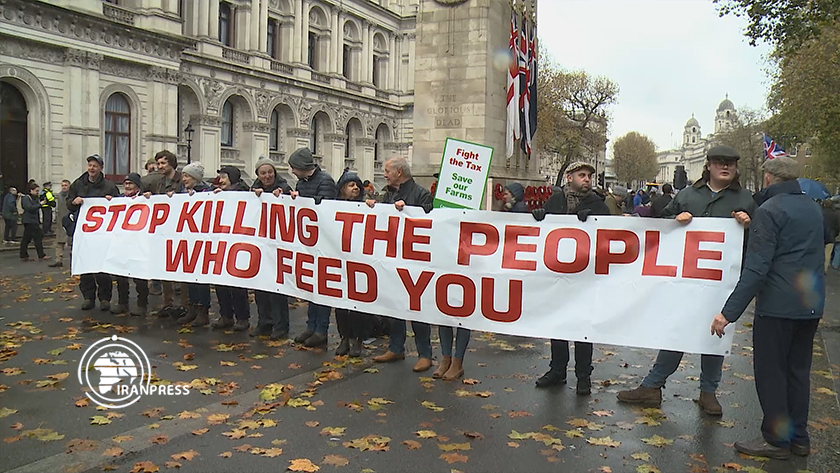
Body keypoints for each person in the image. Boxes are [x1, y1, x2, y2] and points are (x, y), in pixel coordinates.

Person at [617, 145, 756, 415]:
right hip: (684, 278)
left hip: (721, 281)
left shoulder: (747, 199)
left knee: (715, 334)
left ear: (736, 168)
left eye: (730, 163)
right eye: (719, 162)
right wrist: (673, 218)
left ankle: (708, 392)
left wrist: (749, 224)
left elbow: (759, 238)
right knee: (677, 331)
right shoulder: (688, 195)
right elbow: (660, 224)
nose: (724, 167)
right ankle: (652, 386)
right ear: (709, 166)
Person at [710, 157, 825, 459]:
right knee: (799, 371)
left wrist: (728, 313)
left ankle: (776, 439)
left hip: (777, 305)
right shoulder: (814, 207)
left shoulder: (770, 210)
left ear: (769, 178)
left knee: (772, 372)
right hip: (810, 304)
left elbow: (757, 269)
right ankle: (799, 438)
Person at [532, 161, 610, 395]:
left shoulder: (598, 204)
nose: (586, 179)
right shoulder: (556, 201)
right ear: (569, 177)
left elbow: (611, 235)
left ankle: (583, 376)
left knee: (582, 327)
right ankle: (557, 370)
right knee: (558, 324)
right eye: (582, 175)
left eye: (589, 176)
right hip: (557, 274)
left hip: (585, 277)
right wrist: (539, 217)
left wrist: (596, 221)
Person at [368, 157, 435, 372]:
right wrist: (373, 208)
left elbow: (429, 219)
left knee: (416, 308)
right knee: (394, 305)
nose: (384, 173)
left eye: (387, 170)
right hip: (392, 258)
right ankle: (395, 348)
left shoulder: (421, 194)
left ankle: (425, 354)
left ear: (399, 172)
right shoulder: (388, 193)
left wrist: (408, 209)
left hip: (414, 261)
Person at [287, 148, 337, 347]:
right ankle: (311, 325)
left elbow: (324, 207)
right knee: (311, 286)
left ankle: (321, 329)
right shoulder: (302, 182)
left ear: (301, 167)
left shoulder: (325, 181)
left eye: (293, 167)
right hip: (308, 242)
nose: (291, 172)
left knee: (321, 287)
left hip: (322, 242)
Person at [67, 154, 120, 311]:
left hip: (102, 234)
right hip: (83, 233)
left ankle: (105, 298)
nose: (91, 168)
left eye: (95, 166)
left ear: (101, 168)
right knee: (86, 267)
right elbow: (68, 203)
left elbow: (119, 207)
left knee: (102, 267)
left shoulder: (109, 186)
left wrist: (112, 200)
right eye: (90, 165)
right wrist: (73, 202)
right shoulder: (78, 184)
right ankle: (88, 297)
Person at [249, 157, 293, 340]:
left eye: (270, 172)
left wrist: (282, 196)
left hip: (277, 246)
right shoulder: (253, 191)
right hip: (260, 245)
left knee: (276, 289)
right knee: (260, 288)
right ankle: (264, 322)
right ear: (258, 175)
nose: (267, 176)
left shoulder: (285, 188)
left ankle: (280, 325)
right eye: (263, 173)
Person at [332, 171, 373, 357]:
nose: (355, 188)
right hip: (339, 259)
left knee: (358, 304)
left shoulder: (367, 207)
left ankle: (358, 340)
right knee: (340, 303)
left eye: (357, 185)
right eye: (351, 185)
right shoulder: (332, 207)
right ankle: (344, 338)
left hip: (359, 261)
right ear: (342, 189)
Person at [144, 150, 188, 319]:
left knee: (182, 268)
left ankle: (185, 304)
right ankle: (168, 303)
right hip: (164, 231)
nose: (159, 166)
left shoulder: (181, 180)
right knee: (164, 268)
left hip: (181, 230)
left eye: (163, 163)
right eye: (158, 163)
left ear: (171, 163)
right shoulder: (159, 182)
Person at [210, 166, 252, 331]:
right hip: (222, 242)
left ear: (232, 179)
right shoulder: (217, 194)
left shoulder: (245, 194)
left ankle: (242, 317)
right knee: (221, 282)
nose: (220, 181)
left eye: (224, 177)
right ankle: (225, 315)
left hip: (238, 243)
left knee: (237, 284)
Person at [176, 162, 213, 327]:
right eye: (183, 175)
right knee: (190, 275)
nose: (184, 179)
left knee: (201, 277)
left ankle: (202, 310)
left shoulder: (208, 193)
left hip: (203, 239)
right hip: (187, 238)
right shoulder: (182, 193)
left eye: (187, 176)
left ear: (196, 178)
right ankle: (192, 307)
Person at [111, 173, 150, 316]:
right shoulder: (120, 200)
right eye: (125, 183)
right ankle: (122, 303)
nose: (127, 186)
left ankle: (142, 304)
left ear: (137, 186)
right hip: (122, 242)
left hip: (138, 243)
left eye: (130, 184)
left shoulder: (145, 199)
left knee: (139, 275)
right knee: (121, 274)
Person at [20, 182, 49, 262]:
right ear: (31, 190)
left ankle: (23, 254)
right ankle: (41, 255)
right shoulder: (26, 198)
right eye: (36, 191)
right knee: (38, 237)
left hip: (33, 220)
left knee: (27, 239)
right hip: (29, 221)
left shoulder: (35, 198)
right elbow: (29, 208)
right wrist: (40, 204)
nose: (37, 192)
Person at [48, 180, 71, 268]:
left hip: (70, 222)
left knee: (72, 242)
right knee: (58, 242)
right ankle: (58, 260)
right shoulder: (60, 196)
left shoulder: (72, 196)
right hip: (61, 221)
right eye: (62, 185)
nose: (64, 187)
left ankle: (74, 261)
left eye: (65, 185)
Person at [821, 199, 839, 273]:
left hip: (820, 234)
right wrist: (835, 233)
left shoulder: (820, 212)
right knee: (828, 253)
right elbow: (838, 226)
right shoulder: (835, 214)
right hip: (831, 235)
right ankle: (825, 269)